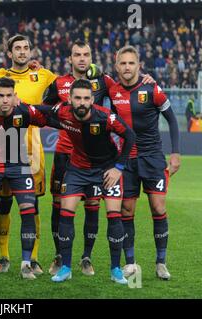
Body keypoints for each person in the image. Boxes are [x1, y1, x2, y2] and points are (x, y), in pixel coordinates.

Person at [43, 40, 156, 277]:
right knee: (59, 206)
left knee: (94, 206)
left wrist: (145, 79)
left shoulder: (104, 81)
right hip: (67, 154)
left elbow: (126, 88)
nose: (82, 59)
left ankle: (86, 257)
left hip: (98, 157)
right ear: (70, 58)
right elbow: (46, 111)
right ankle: (61, 257)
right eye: (77, 54)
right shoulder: (59, 83)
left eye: (86, 54)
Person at [0, 34, 57, 275]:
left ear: (31, 52)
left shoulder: (43, 75)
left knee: (31, 207)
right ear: (10, 53)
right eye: (18, 49)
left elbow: (67, 87)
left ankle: (33, 259)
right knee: (3, 205)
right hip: (1, 151)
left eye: (26, 48)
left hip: (31, 151)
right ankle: (4, 257)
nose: (23, 52)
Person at [46, 79, 136, 284]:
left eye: (86, 98)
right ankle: (66, 267)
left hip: (107, 170)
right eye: (77, 98)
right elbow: (40, 111)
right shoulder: (63, 113)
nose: (81, 102)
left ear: (92, 99)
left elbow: (130, 136)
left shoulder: (105, 117)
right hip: (77, 170)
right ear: (69, 99)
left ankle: (115, 270)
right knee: (65, 214)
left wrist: (119, 168)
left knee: (114, 217)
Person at [109, 45, 181, 280]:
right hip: (126, 159)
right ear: (117, 66)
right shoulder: (112, 91)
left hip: (152, 158)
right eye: (123, 63)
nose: (127, 67)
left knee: (158, 207)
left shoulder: (152, 88)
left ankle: (161, 262)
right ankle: (130, 263)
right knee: (126, 210)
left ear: (139, 65)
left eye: (132, 63)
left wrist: (176, 153)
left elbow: (172, 120)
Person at [0, 77, 50, 280]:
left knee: (28, 212)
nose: (5, 100)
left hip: (19, 165)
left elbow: (48, 118)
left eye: (9, 96)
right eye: (1, 96)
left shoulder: (24, 111)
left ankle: (25, 265)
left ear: (15, 97)